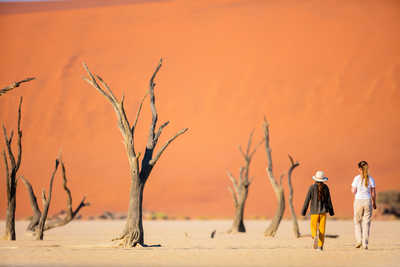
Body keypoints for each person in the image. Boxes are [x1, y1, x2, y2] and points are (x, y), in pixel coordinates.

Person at [301, 170, 334, 251]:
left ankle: (314, 235)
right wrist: (331, 211)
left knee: (313, 226)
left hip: (314, 212)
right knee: (322, 229)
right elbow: (329, 200)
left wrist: (303, 211)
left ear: (315, 179)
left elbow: (307, 200)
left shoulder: (311, 188)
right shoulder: (326, 188)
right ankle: (320, 246)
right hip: (323, 212)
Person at [351, 160, 376, 250]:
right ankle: (365, 243)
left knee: (357, 222)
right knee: (366, 222)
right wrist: (374, 202)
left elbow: (353, 191)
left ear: (359, 169)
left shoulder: (356, 178)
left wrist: (355, 189)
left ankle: (359, 241)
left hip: (358, 201)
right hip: (367, 201)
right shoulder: (371, 179)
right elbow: (373, 193)